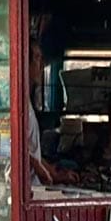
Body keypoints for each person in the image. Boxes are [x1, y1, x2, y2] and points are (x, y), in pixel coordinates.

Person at [28, 38, 79, 186]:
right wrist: (39, 168)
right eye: (37, 58)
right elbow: (15, 147)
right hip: (25, 187)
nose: (41, 65)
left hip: (34, 185)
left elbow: (34, 153)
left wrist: (54, 173)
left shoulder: (27, 102)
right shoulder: (18, 105)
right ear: (25, 62)